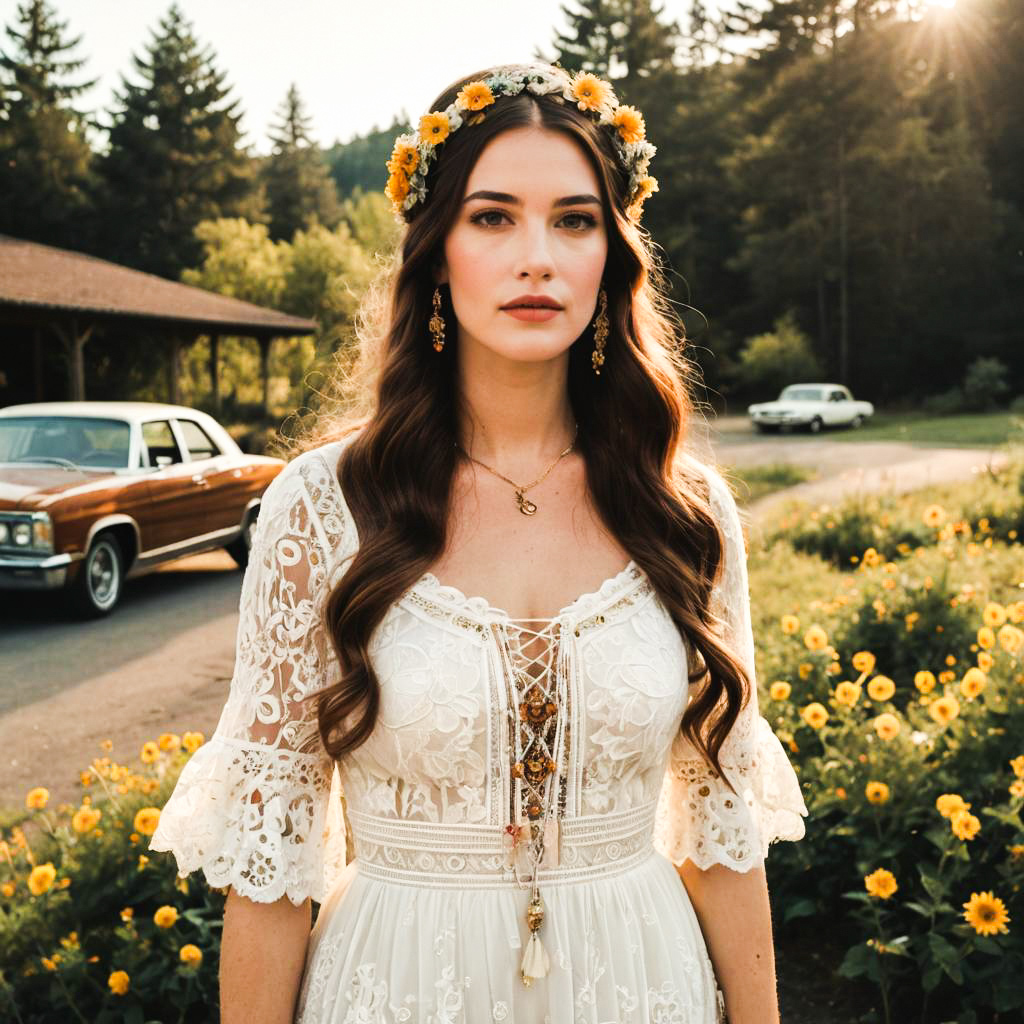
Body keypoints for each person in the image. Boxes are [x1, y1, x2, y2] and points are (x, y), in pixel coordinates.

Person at [149, 60, 809, 1024]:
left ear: (611, 259)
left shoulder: (686, 511)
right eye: (493, 216)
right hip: (398, 984)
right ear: (437, 251)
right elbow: (274, 859)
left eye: (575, 220)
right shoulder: (323, 508)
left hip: (640, 983)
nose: (536, 256)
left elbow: (720, 833)